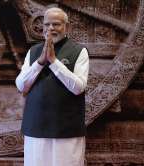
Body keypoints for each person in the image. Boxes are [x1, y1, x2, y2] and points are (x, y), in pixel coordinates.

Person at [15, 7, 89, 166]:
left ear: (66, 27)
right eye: (47, 24)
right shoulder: (34, 51)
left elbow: (78, 87)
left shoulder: (79, 51)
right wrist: (40, 62)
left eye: (56, 24)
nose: (50, 28)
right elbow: (21, 85)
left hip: (67, 127)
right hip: (36, 125)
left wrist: (54, 62)